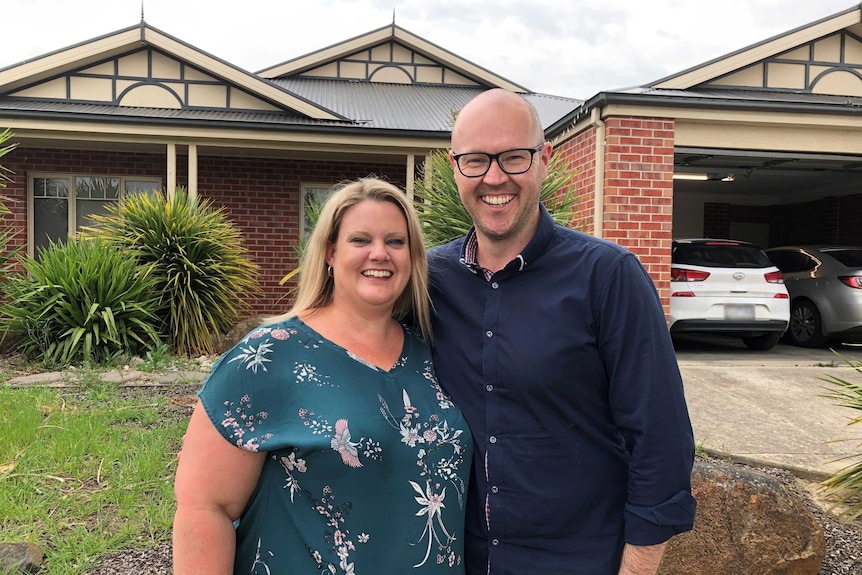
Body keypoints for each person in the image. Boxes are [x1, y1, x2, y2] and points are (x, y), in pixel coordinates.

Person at [427, 89, 696, 575]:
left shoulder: (608, 277)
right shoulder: (429, 281)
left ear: (544, 158)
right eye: (475, 160)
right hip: (456, 559)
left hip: (577, 559)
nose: (494, 177)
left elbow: (660, 438)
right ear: (455, 166)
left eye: (513, 157)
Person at [173, 177, 473, 574]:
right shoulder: (269, 355)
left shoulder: (430, 351)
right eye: (360, 240)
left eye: (396, 242)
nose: (379, 254)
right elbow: (205, 507)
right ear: (330, 252)